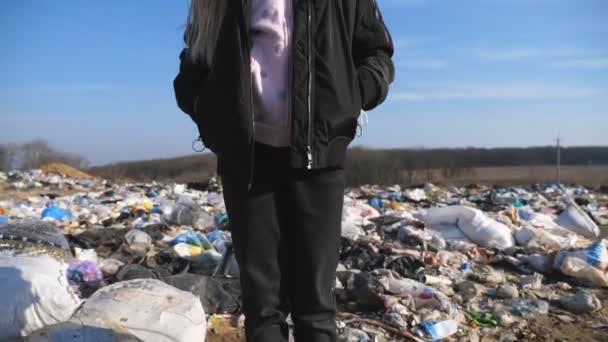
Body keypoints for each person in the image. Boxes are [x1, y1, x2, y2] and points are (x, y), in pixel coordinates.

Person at [173, 0, 394, 341]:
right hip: (246, 160)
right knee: (262, 303)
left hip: (318, 156)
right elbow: (196, 59)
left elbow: (376, 52)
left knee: (316, 303)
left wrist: (351, 97)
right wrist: (205, 107)